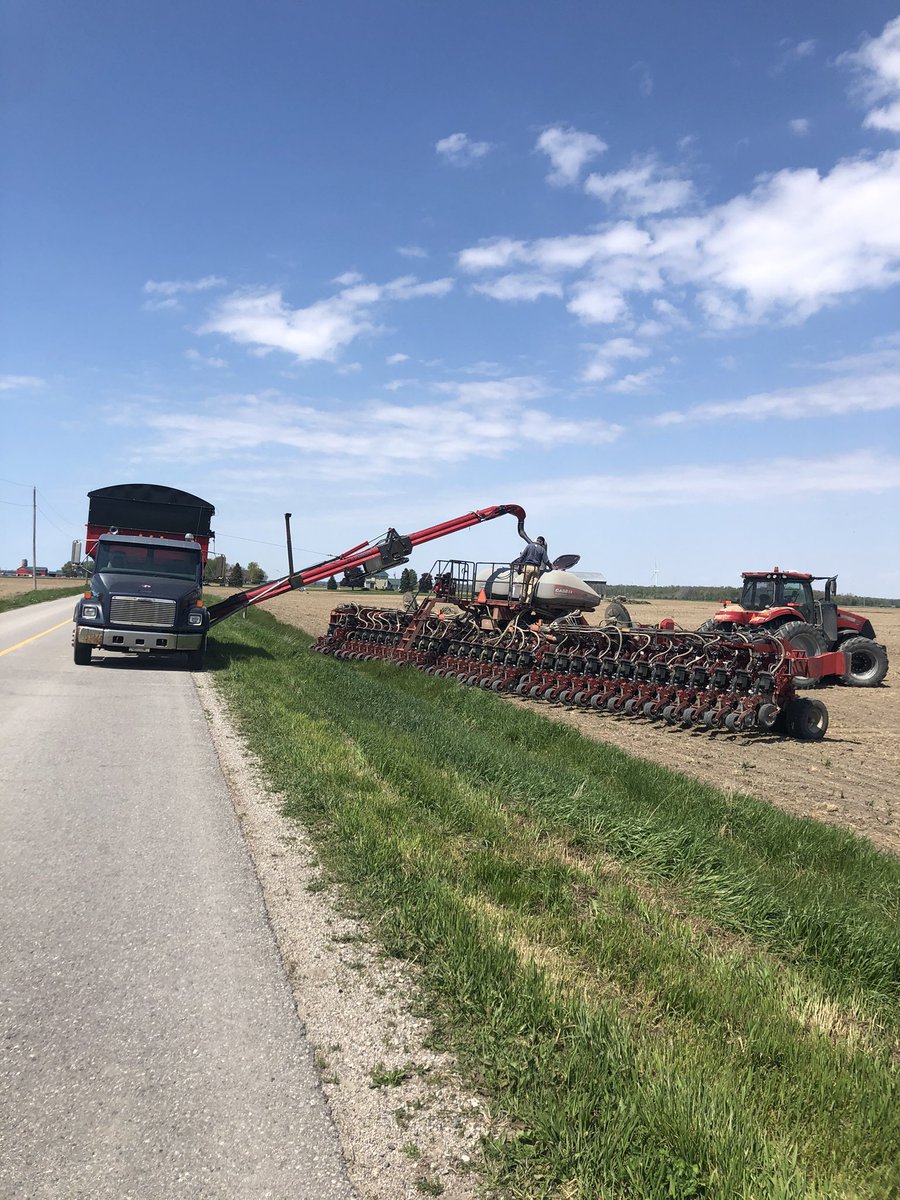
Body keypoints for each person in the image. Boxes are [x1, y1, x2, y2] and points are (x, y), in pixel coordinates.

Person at [512, 536, 551, 604]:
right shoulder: (542, 549)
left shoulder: (529, 546)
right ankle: (528, 601)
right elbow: (546, 561)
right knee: (531, 584)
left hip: (527, 567)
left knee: (524, 583)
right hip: (536, 568)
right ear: (541, 542)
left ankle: (521, 599)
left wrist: (519, 566)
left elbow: (522, 556)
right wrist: (551, 567)